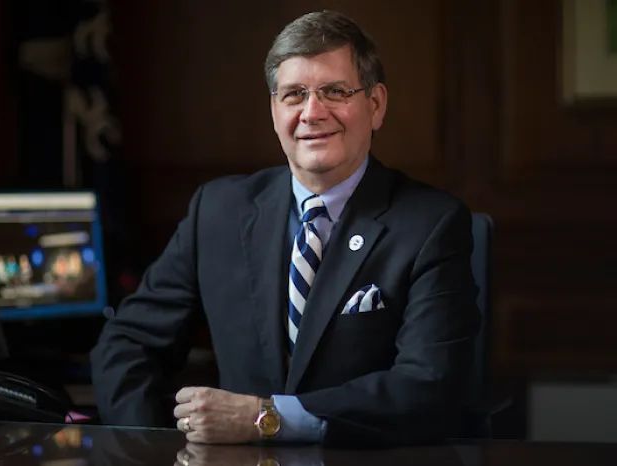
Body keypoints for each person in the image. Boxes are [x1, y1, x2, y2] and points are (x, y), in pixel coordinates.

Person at [90, 10, 480, 447]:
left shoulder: (430, 223)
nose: (312, 112)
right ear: (274, 110)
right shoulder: (217, 211)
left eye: (334, 91)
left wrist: (266, 418)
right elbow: (125, 346)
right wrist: (154, 450)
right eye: (294, 94)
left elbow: (428, 385)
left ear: (375, 105)